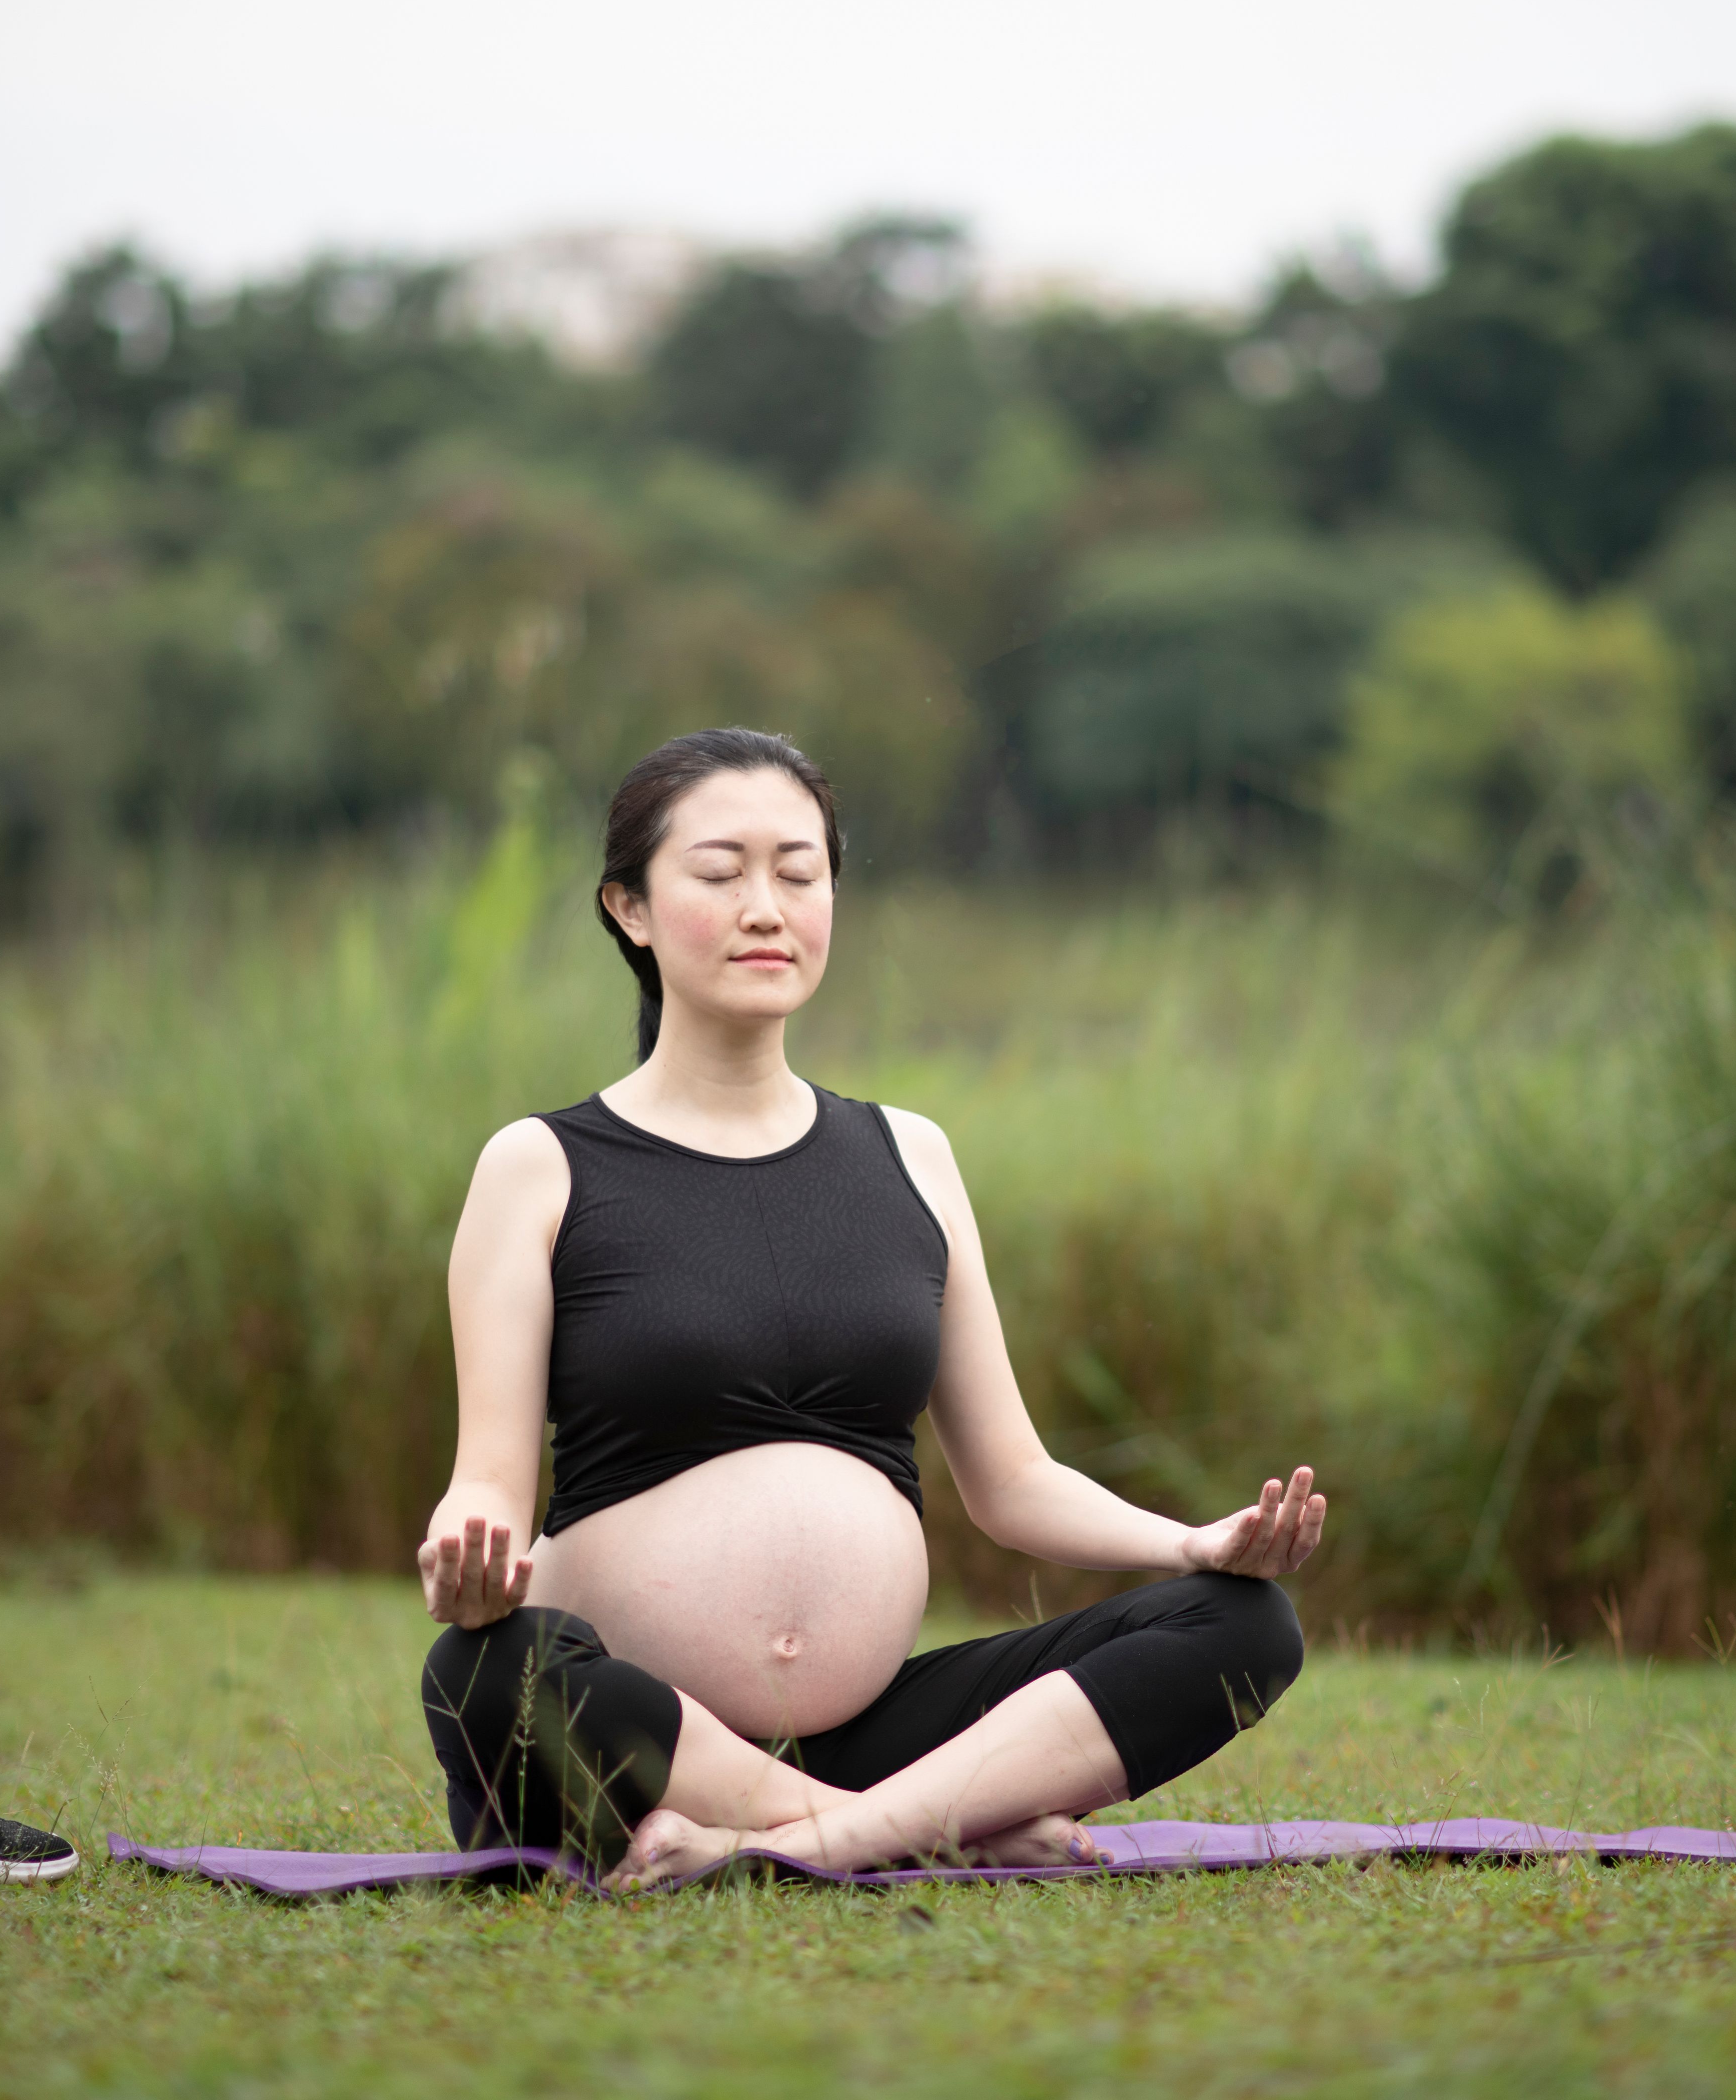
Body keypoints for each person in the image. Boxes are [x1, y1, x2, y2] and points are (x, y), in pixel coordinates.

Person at [420, 728, 1324, 1888]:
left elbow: (1013, 1485)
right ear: (629, 909)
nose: (766, 908)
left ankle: (801, 1842)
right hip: (638, 1744)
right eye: (718, 873)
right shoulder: (541, 1166)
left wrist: (1193, 1542)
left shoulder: (912, 1155)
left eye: (799, 875)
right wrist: (467, 1558)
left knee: (1246, 1628)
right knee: (486, 1667)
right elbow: (486, 1487)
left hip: (875, 1728)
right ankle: (917, 1827)